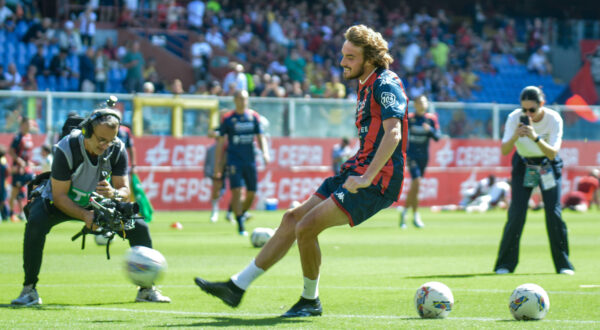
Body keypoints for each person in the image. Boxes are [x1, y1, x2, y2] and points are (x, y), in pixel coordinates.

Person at [194, 24, 408, 317]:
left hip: (376, 179)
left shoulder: (385, 83)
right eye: (343, 55)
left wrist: (368, 176)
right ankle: (236, 287)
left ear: (369, 59)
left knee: (306, 227)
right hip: (356, 170)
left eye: (350, 57)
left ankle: (310, 301)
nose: (342, 62)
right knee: (292, 217)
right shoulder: (366, 82)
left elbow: (393, 134)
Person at [10, 108, 170, 306]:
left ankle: (146, 289)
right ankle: (29, 290)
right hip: (60, 202)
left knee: (139, 228)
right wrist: (85, 215)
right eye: (101, 140)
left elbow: (124, 189)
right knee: (35, 223)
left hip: (98, 202)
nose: (105, 145)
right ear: (86, 132)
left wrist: (114, 194)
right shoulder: (66, 148)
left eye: (110, 140)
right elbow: (59, 197)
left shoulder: (117, 148)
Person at [494, 86, 574, 275]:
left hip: (547, 165)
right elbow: (505, 150)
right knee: (517, 213)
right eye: (525, 109)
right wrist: (516, 134)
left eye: (532, 109)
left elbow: (553, 153)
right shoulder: (514, 118)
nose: (528, 113)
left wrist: (535, 137)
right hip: (524, 165)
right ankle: (505, 264)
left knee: (553, 213)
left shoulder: (553, 119)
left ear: (542, 105)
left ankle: (563, 264)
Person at [213, 90, 270, 235]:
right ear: (235, 100)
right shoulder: (228, 119)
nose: (243, 101)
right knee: (237, 191)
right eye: (240, 99)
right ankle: (240, 224)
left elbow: (260, 136)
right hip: (234, 160)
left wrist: (265, 152)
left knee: (252, 193)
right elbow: (221, 141)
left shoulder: (253, 117)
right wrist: (219, 163)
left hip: (250, 160)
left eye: (245, 99)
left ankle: (241, 213)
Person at [400, 95, 441, 228]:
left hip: (424, 157)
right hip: (412, 155)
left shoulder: (431, 119)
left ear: (427, 104)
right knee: (416, 181)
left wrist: (430, 130)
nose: (422, 105)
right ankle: (416, 215)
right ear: (415, 104)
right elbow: (402, 136)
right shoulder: (410, 118)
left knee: (415, 187)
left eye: (424, 102)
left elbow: (437, 137)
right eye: (419, 103)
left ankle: (405, 212)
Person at [9, 117, 34, 222]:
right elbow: (11, 151)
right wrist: (19, 161)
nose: (30, 126)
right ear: (23, 125)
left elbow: (27, 153)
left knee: (33, 190)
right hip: (19, 170)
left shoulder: (29, 136)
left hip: (27, 169)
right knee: (15, 192)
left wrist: (29, 162)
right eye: (28, 124)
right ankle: (11, 214)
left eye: (30, 124)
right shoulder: (18, 137)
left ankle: (30, 212)